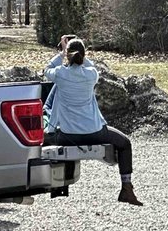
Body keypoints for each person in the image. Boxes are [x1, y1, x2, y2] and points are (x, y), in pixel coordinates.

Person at [43, 36, 143, 206]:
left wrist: (62, 52)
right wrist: (74, 53)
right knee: (125, 143)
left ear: (68, 56)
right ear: (83, 55)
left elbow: (47, 69)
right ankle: (126, 188)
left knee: (40, 138)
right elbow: (90, 65)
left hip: (67, 135)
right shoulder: (91, 75)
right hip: (95, 133)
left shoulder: (60, 73)